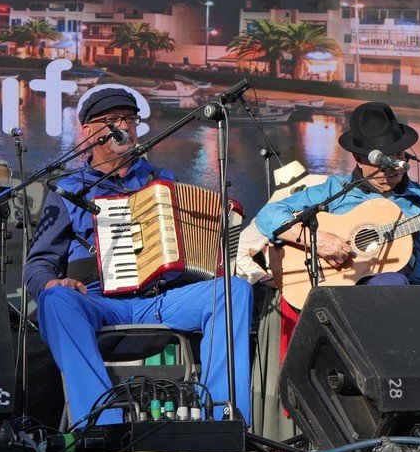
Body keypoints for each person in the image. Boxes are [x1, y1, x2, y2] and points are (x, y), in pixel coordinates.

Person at [27, 90, 253, 425]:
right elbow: (38, 264)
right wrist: (52, 281)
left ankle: (225, 419)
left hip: (160, 299)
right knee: (55, 301)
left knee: (234, 291)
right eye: (112, 121)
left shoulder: (162, 180)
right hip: (100, 299)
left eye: (130, 119)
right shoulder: (68, 189)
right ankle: (103, 423)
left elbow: (188, 251)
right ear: (89, 131)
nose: (125, 127)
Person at [254, 102, 420, 338]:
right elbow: (268, 216)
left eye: (397, 158)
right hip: (345, 298)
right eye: (380, 163)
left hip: (412, 305)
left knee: (393, 282)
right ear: (358, 158)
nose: (390, 170)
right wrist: (317, 240)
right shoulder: (335, 189)